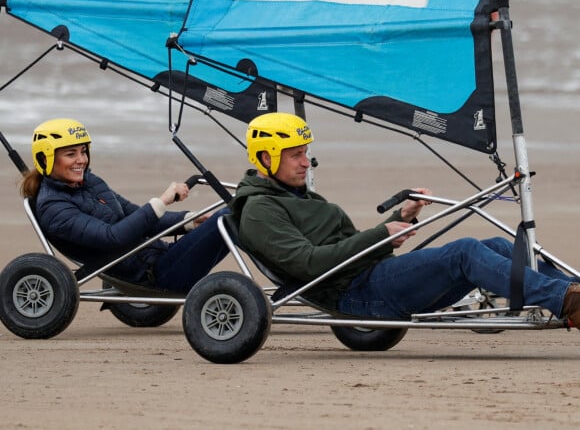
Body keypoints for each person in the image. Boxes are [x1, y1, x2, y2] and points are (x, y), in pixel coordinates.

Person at [229, 112, 580, 329]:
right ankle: (567, 302)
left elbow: (344, 248)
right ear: (266, 157)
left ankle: (570, 293)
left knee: (500, 246)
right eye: (295, 156)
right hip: (358, 297)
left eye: (306, 153)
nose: (306, 163)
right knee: (465, 252)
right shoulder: (261, 211)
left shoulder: (294, 195)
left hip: (372, 278)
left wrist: (401, 218)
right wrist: (381, 233)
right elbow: (308, 265)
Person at [20, 118, 229, 294]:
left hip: (162, 255)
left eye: (83, 151)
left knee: (229, 215)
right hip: (155, 274)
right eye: (70, 154)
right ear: (45, 158)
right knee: (230, 217)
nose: (81, 160)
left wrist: (190, 220)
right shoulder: (54, 208)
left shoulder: (90, 182)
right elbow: (113, 237)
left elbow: (137, 218)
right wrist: (163, 200)